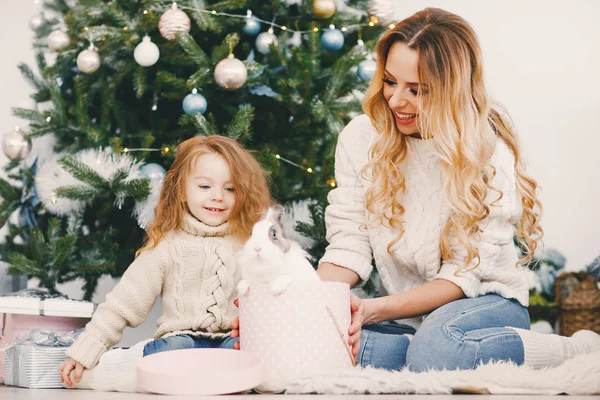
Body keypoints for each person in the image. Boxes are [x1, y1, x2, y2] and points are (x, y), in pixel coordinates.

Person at [314, 7, 600, 372]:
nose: (396, 101)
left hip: (484, 300)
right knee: (334, 339)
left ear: (452, 90)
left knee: (436, 350)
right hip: (408, 313)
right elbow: (348, 241)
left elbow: (461, 276)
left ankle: (571, 352)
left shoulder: (487, 151)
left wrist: (376, 310)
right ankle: (421, 351)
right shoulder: (360, 136)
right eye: (389, 81)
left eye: (417, 90)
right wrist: (308, 304)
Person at [58, 135, 271, 390]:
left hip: (227, 341)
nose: (217, 197)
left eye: (230, 188)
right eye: (205, 187)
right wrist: (88, 347)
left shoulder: (251, 244)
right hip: (179, 342)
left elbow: (270, 298)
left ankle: (207, 382)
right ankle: (115, 369)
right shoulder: (168, 246)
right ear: (182, 190)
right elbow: (123, 302)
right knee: (174, 351)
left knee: (248, 355)